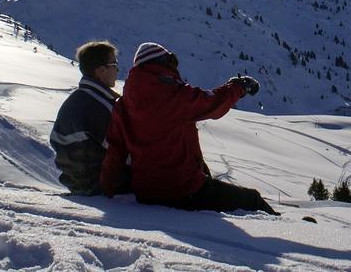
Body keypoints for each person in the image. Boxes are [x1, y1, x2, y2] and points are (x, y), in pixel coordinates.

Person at [100, 41, 277, 214]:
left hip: (145, 191)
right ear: (163, 63)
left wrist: (107, 188)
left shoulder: (123, 104)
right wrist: (238, 87)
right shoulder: (174, 95)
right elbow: (212, 102)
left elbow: (116, 148)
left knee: (210, 179)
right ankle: (287, 228)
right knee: (252, 200)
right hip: (183, 190)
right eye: (172, 61)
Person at [50, 40, 128, 196]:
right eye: (114, 64)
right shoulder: (98, 106)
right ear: (101, 70)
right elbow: (124, 151)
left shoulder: (80, 99)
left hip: (77, 181)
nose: (117, 70)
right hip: (97, 184)